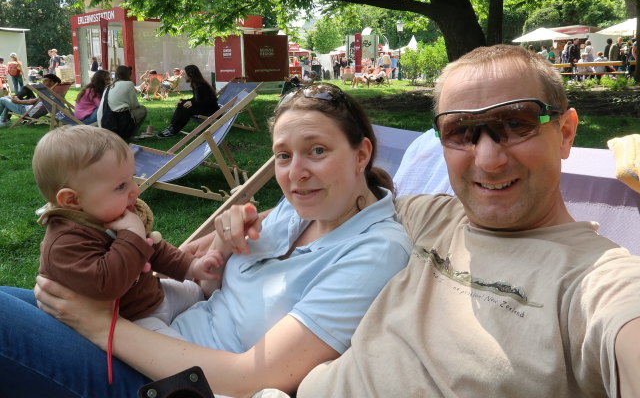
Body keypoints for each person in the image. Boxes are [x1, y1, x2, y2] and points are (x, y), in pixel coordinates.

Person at [0, 82, 411, 398]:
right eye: (283, 155)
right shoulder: (304, 207)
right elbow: (218, 275)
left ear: (362, 154)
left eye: (317, 150)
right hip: (158, 328)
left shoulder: (375, 251)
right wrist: (223, 239)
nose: (295, 173)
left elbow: (255, 376)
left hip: (173, 384)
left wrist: (97, 326)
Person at [297, 44, 640, 397]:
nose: (489, 159)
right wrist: (246, 224)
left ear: (565, 132)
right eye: (460, 131)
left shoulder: (596, 284)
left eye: (516, 123)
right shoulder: (429, 216)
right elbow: (332, 204)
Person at [31, 125, 224, 339]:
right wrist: (131, 236)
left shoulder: (107, 216)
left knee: (200, 292)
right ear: (72, 200)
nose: (136, 189)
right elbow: (107, 284)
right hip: (127, 320)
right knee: (175, 352)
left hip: (154, 295)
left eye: (131, 178)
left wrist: (192, 266)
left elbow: (153, 248)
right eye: (121, 186)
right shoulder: (65, 243)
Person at [157, 64, 218, 137]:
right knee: (182, 104)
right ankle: (172, 127)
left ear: (191, 74)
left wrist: (192, 102)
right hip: (204, 108)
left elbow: (210, 101)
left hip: (211, 111)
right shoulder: (196, 84)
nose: (183, 76)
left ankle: (173, 130)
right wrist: (183, 101)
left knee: (186, 108)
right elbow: (197, 99)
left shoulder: (202, 85)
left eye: (185, 74)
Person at [97, 65, 147, 136]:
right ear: (128, 75)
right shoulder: (129, 84)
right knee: (142, 110)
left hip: (103, 123)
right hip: (116, 122)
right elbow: (134, 105)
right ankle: (131, 134)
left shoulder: (108, 87)